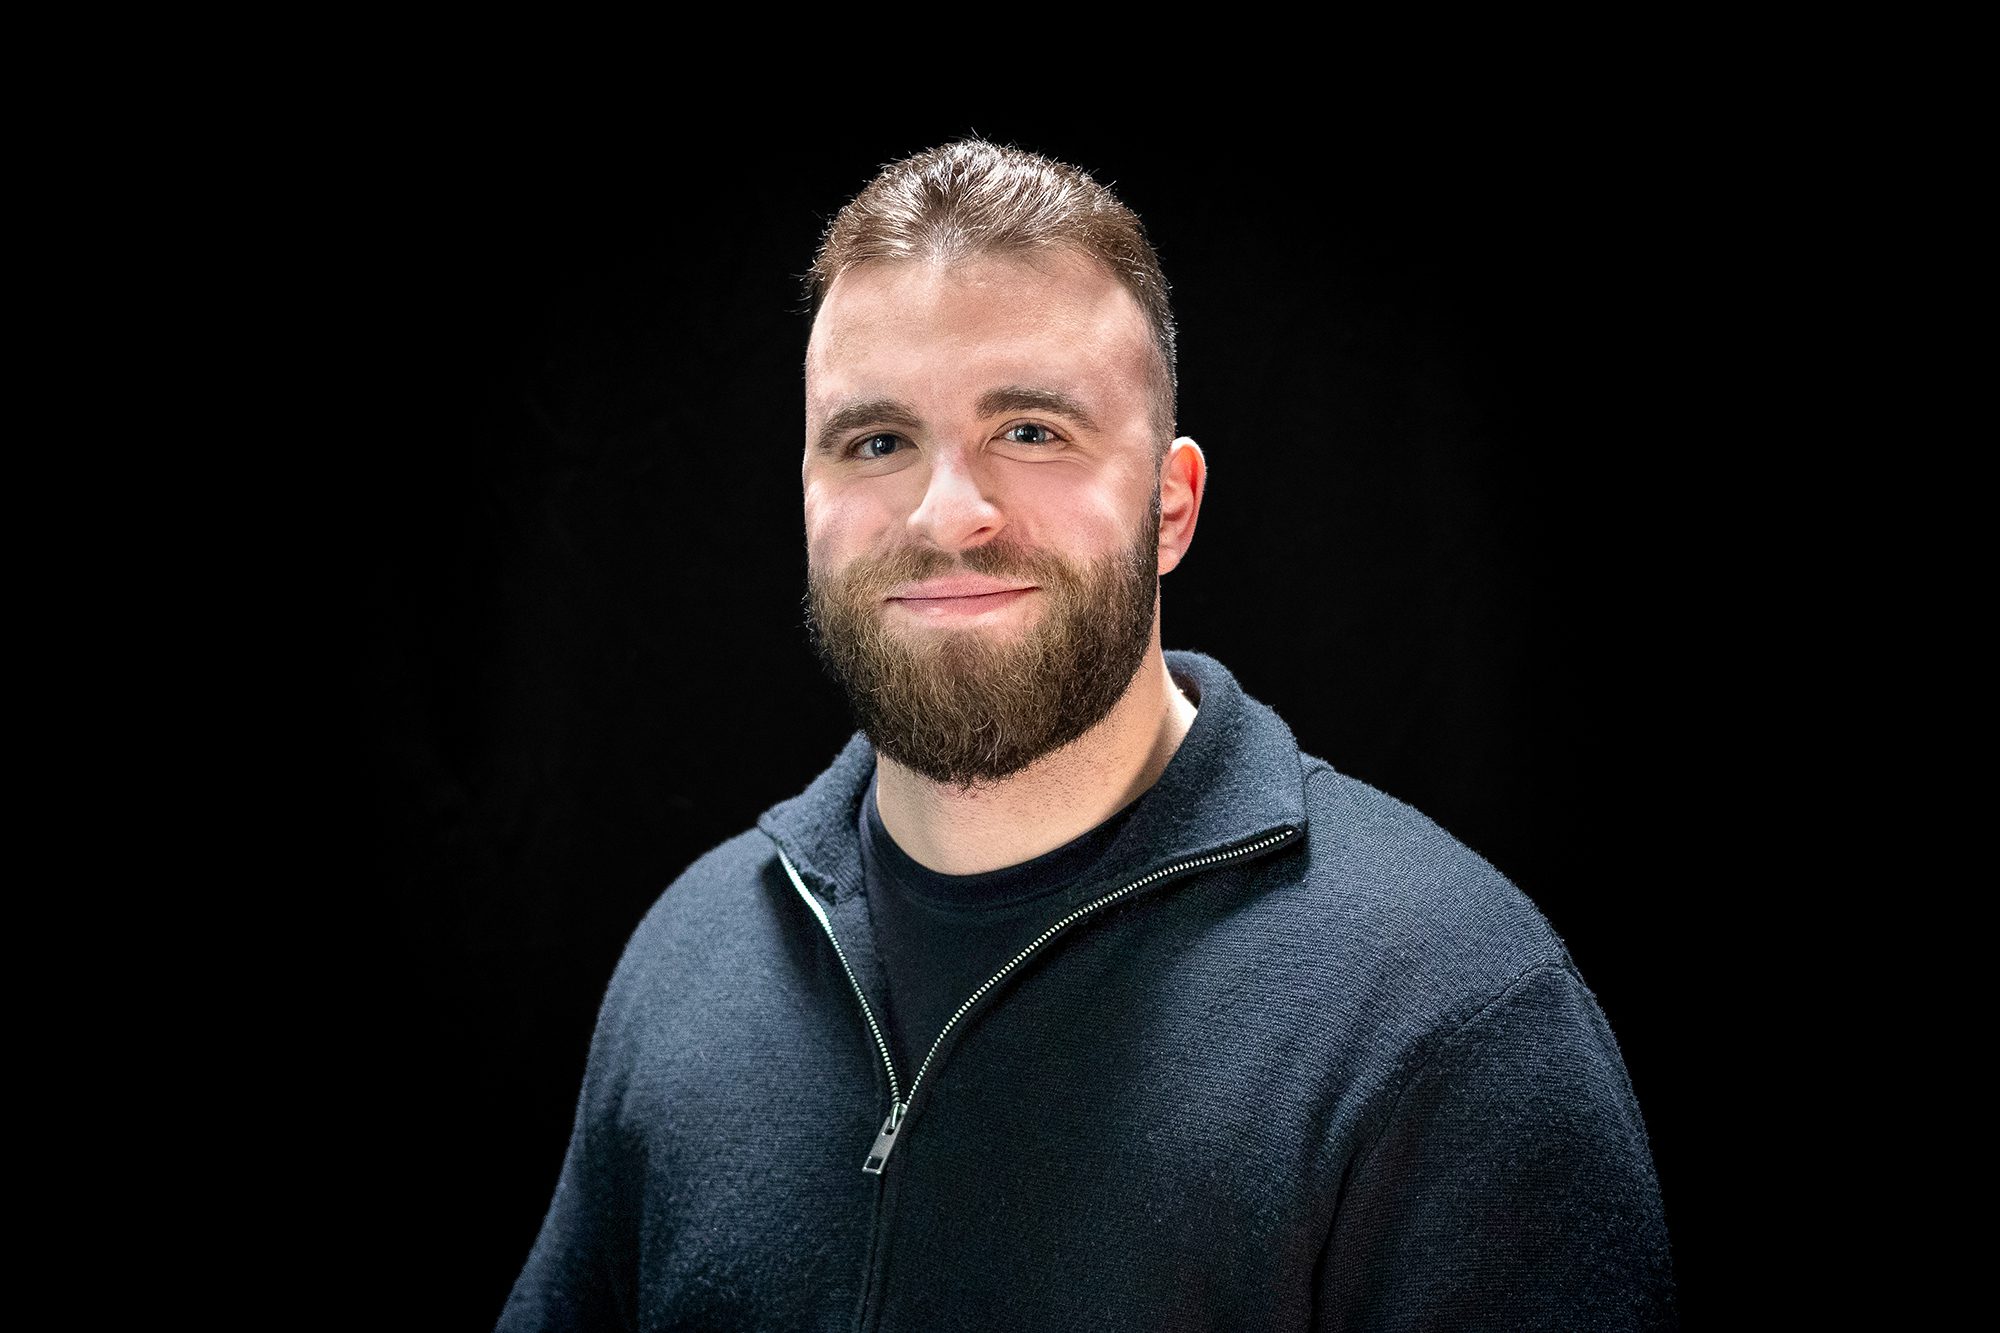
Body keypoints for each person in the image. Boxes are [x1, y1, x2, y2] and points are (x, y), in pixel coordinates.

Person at [497, 140, 1677, 1332]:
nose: (945, 514)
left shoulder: (1450, 1016)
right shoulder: (695, 952)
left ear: (1170, 505)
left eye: (1029, 431)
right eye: (875, 442)